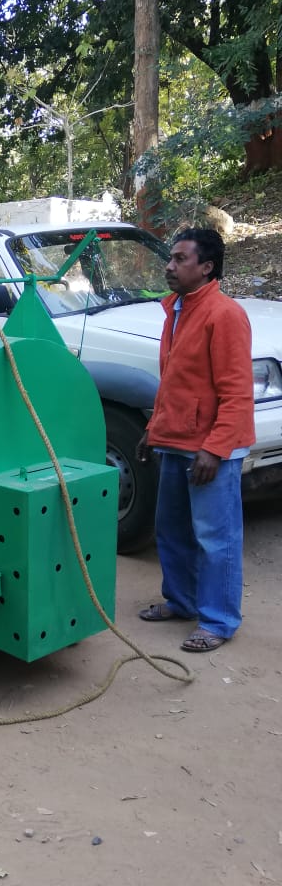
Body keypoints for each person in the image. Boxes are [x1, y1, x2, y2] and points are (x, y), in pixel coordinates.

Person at [137, 228, 255, 653]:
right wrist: (154, 430)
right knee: (171, 529)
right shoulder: (178, 309)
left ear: (206, 267)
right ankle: (182, 601)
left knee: (215, 536)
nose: (169, 266)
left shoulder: (223, 315)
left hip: (210, 448)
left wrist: (216, 448)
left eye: (180, 259)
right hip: (176, 438)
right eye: (170, 258)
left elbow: (237, 391)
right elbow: (175, 382)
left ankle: (219, 621)